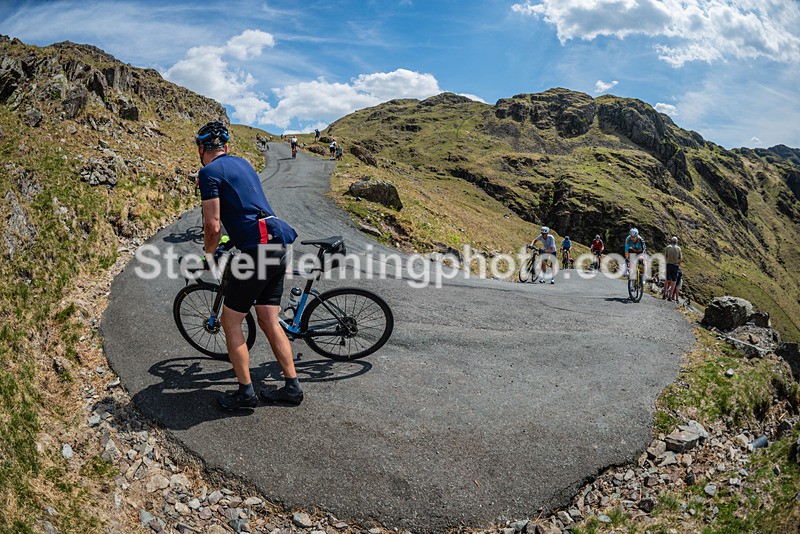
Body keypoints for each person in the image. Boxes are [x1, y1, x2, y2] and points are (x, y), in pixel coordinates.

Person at [195, 121, 303, 410]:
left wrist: (209, 255)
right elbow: (245, 205)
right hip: (279, 241)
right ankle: (292, 387)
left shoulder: (207, 172)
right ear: (226, 147)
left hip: (258, 249)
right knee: (268, 319)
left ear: (201, 149)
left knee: (230, 321)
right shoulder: (242, 163)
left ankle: (245, 394)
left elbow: (212, 226)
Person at [663, 236, 683, 301]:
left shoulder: (668, 247)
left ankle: (664, 294)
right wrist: (678, 264)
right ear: (676, 241)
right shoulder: (678, 249)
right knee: (673, 281)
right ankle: (670, 296)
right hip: (675, 266)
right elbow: (680, 258)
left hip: (668, 264)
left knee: (667, 280)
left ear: (671, 241)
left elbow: (665, 255)